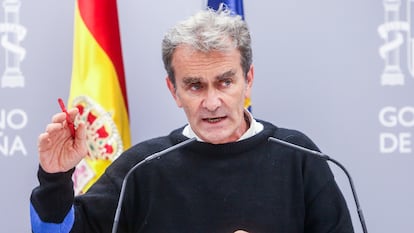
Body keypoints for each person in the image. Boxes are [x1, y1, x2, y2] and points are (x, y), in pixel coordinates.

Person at [30, 6, 354, 233]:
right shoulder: (141, 168)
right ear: (173, 90)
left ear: (249, 80)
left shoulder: (299, 157)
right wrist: (55, 178)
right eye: (195, 86)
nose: (212, 102)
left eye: (225, 82)